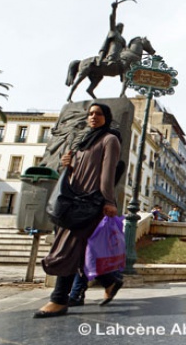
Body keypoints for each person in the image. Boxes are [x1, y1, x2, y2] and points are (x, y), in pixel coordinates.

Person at [35, 103, 124, 318]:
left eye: (99, 113)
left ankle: (58, 300)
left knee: (68, 248)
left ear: (107, 117)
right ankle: (110, 281)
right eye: (91, 113)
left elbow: (107, 173)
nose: (94, 117)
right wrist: (68, 163)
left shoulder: (109, 140)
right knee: (82, 249)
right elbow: (75, 173)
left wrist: (108, 201)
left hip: (90, 204)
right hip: (73, 202)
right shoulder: (83, 141)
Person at [97, 1, 127, 73]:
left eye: (122, 27)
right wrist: (114, 9)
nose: (121, 29)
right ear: (117, 27)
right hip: (112, 50)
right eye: (120, 27)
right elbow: (112, 19)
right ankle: (108, 60)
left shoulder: (123, 39)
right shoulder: (113, 30)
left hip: (120, 53)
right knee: (114, 50)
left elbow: (125, 49)